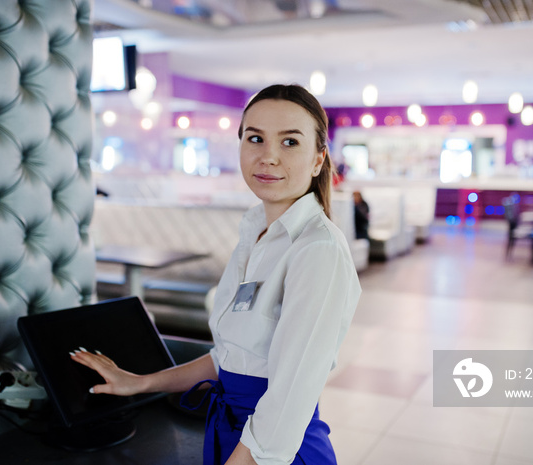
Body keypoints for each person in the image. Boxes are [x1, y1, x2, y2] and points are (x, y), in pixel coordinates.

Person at [71, 84, 362, 465]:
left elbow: (290, 396)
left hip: (272, 453)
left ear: (318, 159)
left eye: (290, 142)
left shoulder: (317, 249)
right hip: (232, 435)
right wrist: (141, 383)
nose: (268, 156)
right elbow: (230, 357)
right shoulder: (255, 235)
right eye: (255, 138)